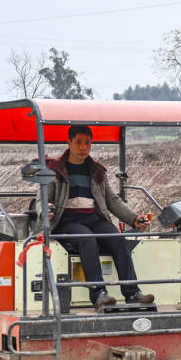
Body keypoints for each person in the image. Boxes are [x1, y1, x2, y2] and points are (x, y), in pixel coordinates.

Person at [44, 125, 154, 312]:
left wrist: (134, 219)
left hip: (94, 219)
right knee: (87, 239)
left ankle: (132, 293)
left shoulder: (97, 172)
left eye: (87, 143)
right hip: (67, 222)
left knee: (118, 239)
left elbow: (112, 200)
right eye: (78, 142)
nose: (83, 147)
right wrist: (45, 210)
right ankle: (99, 294)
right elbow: (42, 199)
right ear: (69, 142)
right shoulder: (54, 171)